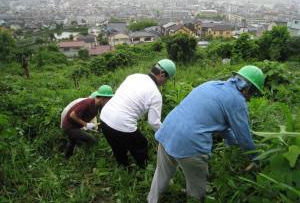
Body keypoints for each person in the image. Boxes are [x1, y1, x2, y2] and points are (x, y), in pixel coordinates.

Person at [147, 65, 265, 203]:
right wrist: (257, 159)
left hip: (167, 131)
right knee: (197, 187)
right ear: (247, 88)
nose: (250, 99)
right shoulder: (237, 101)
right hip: (190, 143)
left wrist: (232, 141)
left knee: (162, 173)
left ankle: (152, 200)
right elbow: (244, 138)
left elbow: (220, 124)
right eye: (253, 93)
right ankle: (193, 197)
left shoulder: (212, 84)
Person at [100, 59, 176, 168]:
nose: (165, 83)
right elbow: (153, 123)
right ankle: (144, 168)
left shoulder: (134, 76)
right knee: (141, 144)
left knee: (117, 146)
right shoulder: (156, 94)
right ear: (162, 75)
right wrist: (167, 136)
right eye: (167, 79)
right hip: (122, 123)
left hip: (104, 117)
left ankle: (123, 166)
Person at [62, 85, 114, 158]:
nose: (109, 102)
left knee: (72, 141)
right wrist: (86, 124)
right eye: (108, 99)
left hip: (76, 125)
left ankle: (66, 158)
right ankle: (86, 158)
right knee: (92, 140)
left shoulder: (99, 105)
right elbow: (72, 115)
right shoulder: (87, 103)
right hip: (70, 126)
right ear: (103, 98)